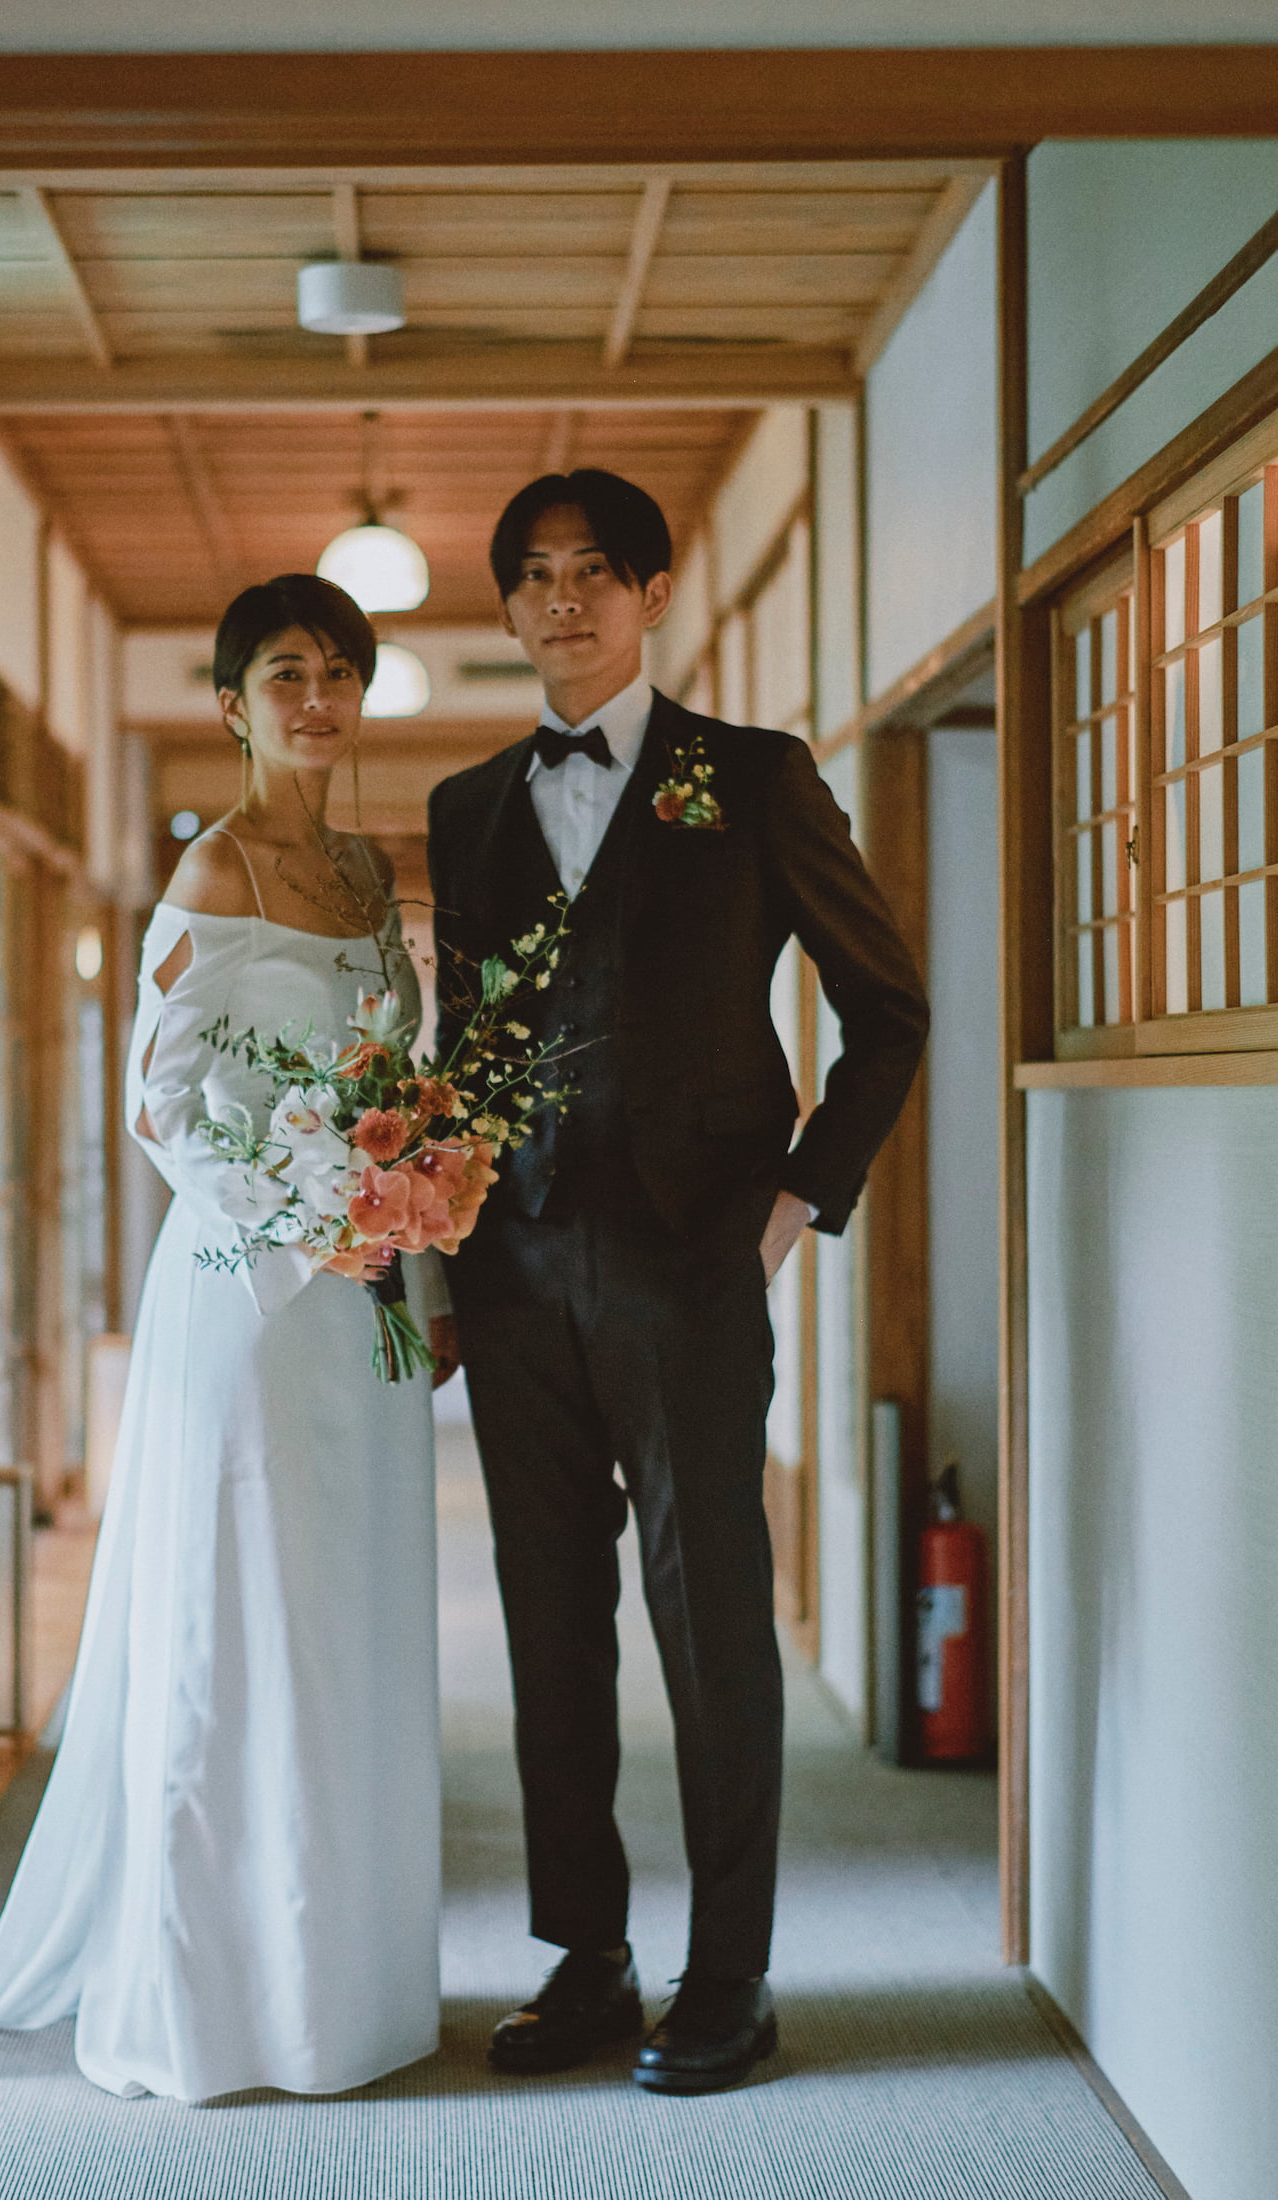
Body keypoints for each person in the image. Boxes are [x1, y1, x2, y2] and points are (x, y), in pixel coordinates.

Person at [0, 574, 456, 2103]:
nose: (317, 699)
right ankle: (215, 2001)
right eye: (286, 673)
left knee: (348, 1625)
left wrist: (412, 1243)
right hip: (248, 1293)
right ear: (231, 704)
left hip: (366, 1309)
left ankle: (348, 1989)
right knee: (240, 1612)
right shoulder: (209, 872)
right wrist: (306, 1209)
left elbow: (400, 1086)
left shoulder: (359, 869)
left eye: (341, 671)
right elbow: (161, 1101)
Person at [428, 471, 928, 2096]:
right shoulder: (468, 808)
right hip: (512, 1266)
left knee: (709, 1620)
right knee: (547, 1621)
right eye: (533, 577)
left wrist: (793, 1206)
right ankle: (586, 1960)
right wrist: (436, 1251)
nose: (561, 599)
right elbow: (463, 1048)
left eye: (593, 572)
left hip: (694, 1260)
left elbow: (887, 1011)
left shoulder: (755, 778)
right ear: (505, 610)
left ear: (649, 595)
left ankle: (731, 1976)